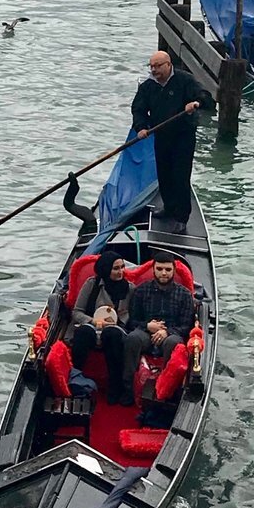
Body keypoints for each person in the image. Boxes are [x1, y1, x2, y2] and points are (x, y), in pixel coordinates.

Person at [131, 51, 209, 229]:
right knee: (164, 173)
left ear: (168, 64)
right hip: (161, 135)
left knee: (180, 176)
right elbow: (138, 109)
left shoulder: (185, 80)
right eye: (151, 66)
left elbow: (205, 97)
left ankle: (182, 217)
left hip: (183, 136)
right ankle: (168, 207)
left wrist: (195, 103)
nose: (154, 70)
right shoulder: (148, 87)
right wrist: (141, 127)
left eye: (157, 66)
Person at [121, 257, 198, 401]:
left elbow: (186, 326)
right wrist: (147, 326)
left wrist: (167, 331)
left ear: (174, 271)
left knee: (173, 343)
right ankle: (127, 389)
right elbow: (132, 321)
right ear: (154, 270)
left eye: (168, 270)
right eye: (160, 269)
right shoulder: (141, 291)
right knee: (132, 338)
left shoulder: (184, 295)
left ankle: (165, 390)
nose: (164, 273)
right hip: (145, 333)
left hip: (171, 334)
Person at [71, 253, 132, 403]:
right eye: (116, 268)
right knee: (84, 332)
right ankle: (75, 380)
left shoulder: (130, 289)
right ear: (105, 269)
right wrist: (93, 321)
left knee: (112, 334)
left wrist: (115, 322)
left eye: (122, 267)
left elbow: (131, 315)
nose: (121, 272)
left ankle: (115, 386)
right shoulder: (91, 284)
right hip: (91, 327)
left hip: (116, 330)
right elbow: (76, 312)